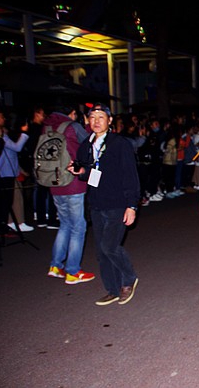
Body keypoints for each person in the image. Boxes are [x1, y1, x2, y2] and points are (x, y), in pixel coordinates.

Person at [72, 103, 140, 306]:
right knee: (101, 252)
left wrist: (132, 205)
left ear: (110, 121)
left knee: (110, 246)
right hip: (97, 203)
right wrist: (78, 171)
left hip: (118, 203)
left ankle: (129, 279)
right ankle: (112, 288)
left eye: (101, 117)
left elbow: (131, 176)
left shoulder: (120, 144)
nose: (96, 122)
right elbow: (85, 171)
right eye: (92, 118)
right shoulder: (86, 144)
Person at [44, 105, 94, 284]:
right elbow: (89, 142)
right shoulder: (72, 126)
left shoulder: (47, 127)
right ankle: (73, 270)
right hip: (73, 183)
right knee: (78, 227)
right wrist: (87, 125)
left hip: (54, 183)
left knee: (65, 224)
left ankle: (55, 265)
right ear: (72, 113)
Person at [0, 109, 29, 235]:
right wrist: (24, 134)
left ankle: (7, 224)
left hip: (9, 171)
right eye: (1, 117)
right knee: (4, 201)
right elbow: (16, 147)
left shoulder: (3, 133)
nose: (3, 119)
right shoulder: (0, 135)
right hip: (4, 172)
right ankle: (4, 226)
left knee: (8, 200)